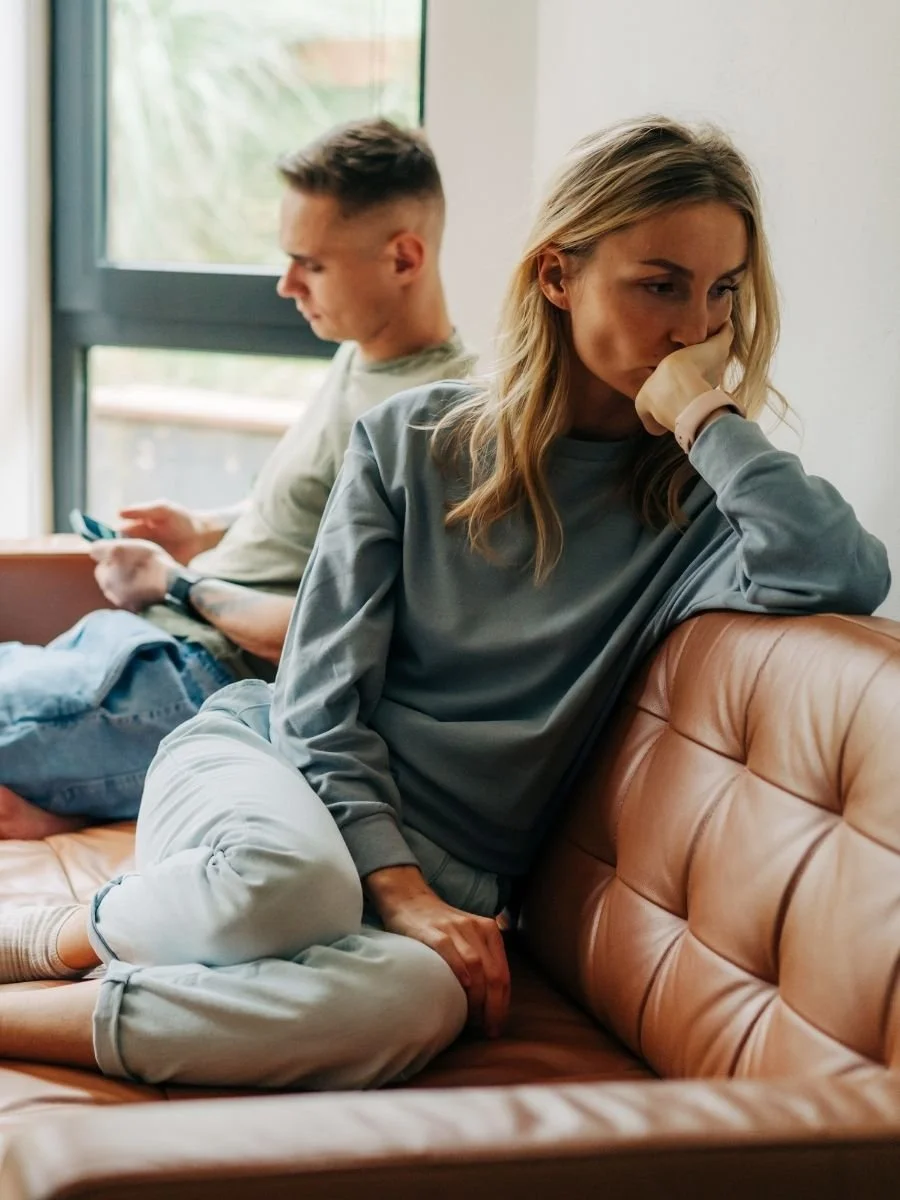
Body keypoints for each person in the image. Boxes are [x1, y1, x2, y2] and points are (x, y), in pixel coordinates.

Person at [0, 116, 889, 1089]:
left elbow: (840, 571)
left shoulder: (693, 513)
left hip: (444, 877)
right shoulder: (413, 439)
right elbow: (316, 701)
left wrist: (706, 416)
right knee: (292, 890)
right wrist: (402, 891)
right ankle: (52, 938)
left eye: (722, 292)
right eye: (660, 285)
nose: (697, 329)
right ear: (558, 277)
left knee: (422, 1004)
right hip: (273, 775)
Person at [0, 117, 475, 840]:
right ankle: (70, 801)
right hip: (147, 655)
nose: (287, 285)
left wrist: (175, 580)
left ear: (404, 259)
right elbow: (313, 516)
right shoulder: (364, 352)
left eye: (311, 264)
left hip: (197, 681)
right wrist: (205, 529)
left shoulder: (435, 426)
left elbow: (343, 642)